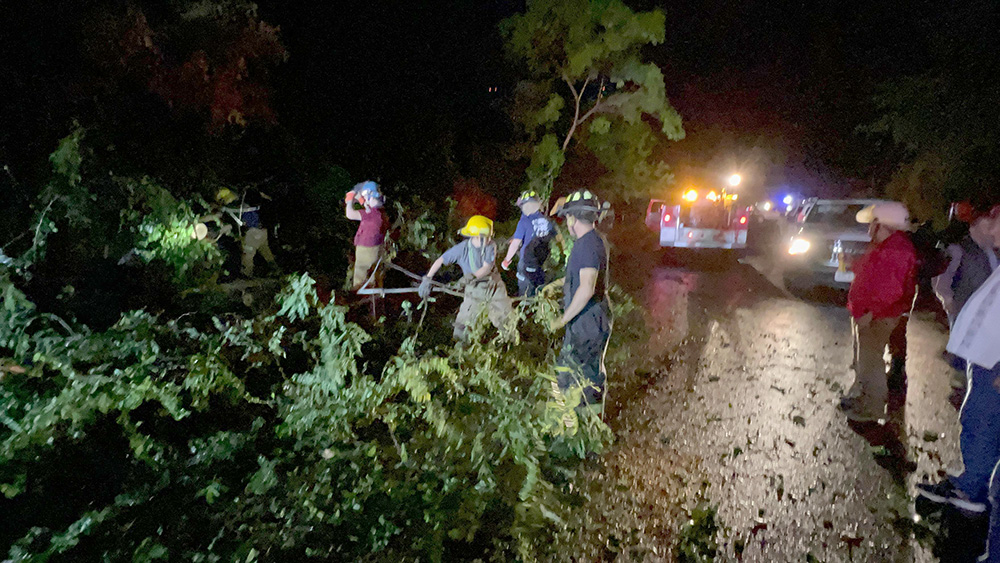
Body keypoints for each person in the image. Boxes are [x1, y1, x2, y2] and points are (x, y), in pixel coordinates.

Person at [917, 206, 1000, 523]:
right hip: (985, 357)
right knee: (978, 421)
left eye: (996, 224)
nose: (991, 231)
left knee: (982, 424)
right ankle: (971, 483)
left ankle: (971, 491)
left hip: (994, 362)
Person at [840, 201, 918, 422]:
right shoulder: (886, 245)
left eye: (873, 222)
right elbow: (871, 271)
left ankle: (872, 409)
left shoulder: (896, 249)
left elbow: (890, 291)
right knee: (865, 361)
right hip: (872, 313)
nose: (869, 227)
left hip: (879, 315)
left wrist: (868, 312)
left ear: (884, 224)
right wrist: (853, 263)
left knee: (871, 363)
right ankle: (864, 399)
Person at [549, 190, 612, 410]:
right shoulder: (593, 241)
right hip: (590, 319)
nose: (567, 223)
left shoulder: (586, 245)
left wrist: (562, 320)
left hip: (588, 322)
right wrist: (554, 286)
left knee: (580, 378)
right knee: (578, 373)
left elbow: (586, 288)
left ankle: (583, 432)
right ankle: (579, 426)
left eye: (567, 217)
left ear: (573, 218)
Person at [418, 215, 513, 340]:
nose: (489, 239)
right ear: (477, 236)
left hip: (493, 287)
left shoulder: (491, 246)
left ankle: (510, 342)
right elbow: (440, 260)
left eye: (490, 237)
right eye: (487, 237)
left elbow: (487, 267)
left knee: (506, 319)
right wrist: (427, 279)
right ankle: (460, 347)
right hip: (474, 289)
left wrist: (471, 276)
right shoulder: (462, 249)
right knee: (464, 323)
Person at [501, 190, 554, 297]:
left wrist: (506, 260)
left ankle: (525, 308)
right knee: (538, 291)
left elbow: (516, 243)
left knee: (525, 293)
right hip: (540, 264)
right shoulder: (545, 221)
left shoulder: (524, 221)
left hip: (526, 264)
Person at [215, 188, 276, 277]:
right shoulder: (244, 203)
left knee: (247, 256)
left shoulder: (234, 207)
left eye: (222, 200)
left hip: (252, 233)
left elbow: (233, 222)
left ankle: (247, 275)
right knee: (266, 252)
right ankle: (275, 269)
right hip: (261, 231)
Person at [345, 181, 388, 290]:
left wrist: (349, 199)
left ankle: (361, 298)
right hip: (376, 249)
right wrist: (361, 199)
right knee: (373, 276)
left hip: (366, 249)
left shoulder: (371, 215)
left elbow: (350, 214)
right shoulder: (380, 213)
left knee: (361, 279)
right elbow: (367, 208)